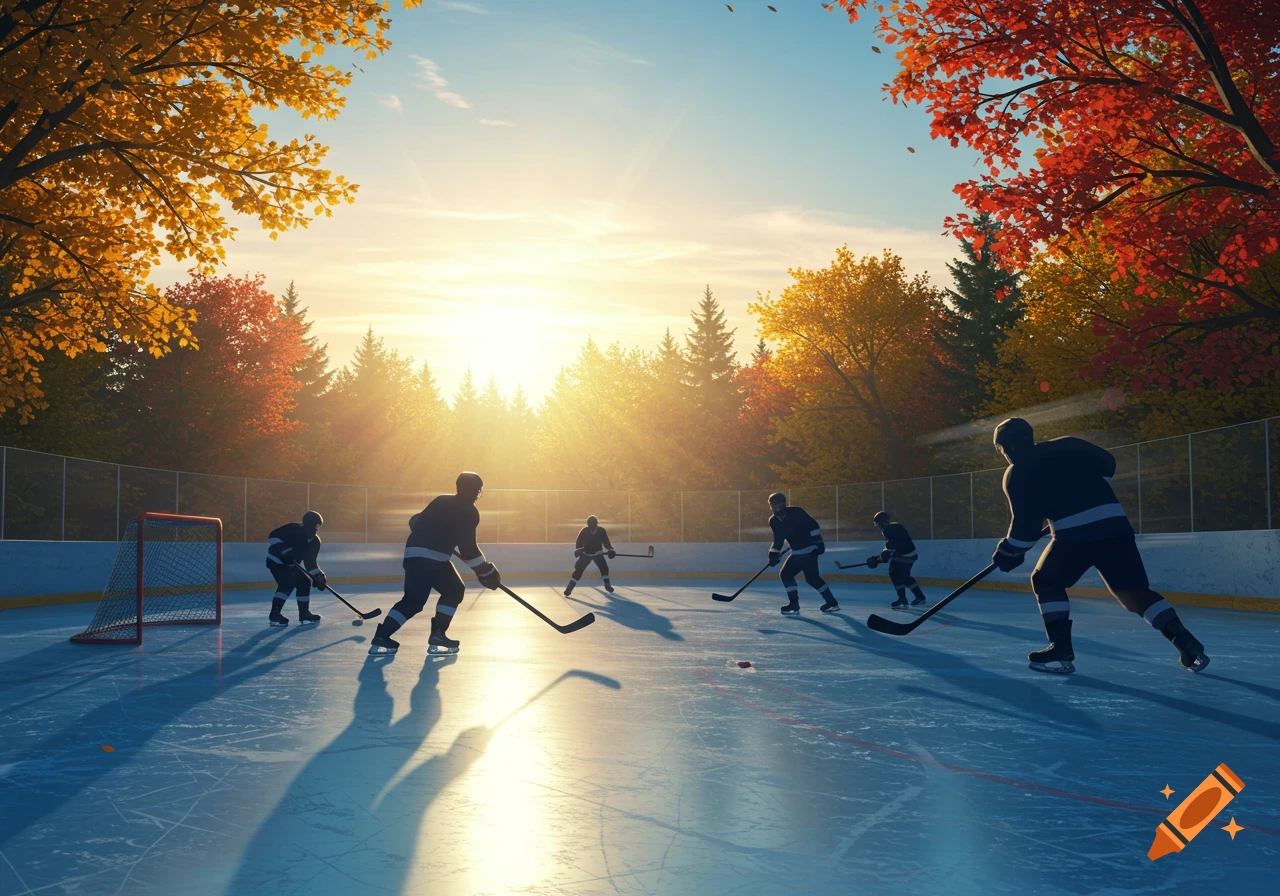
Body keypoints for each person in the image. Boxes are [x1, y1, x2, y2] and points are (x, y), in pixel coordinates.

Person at [991, 417, 1209, 674]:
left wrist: (1009, 551)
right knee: (1133, 592)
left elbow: (1026, 528)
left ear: (1008, 447)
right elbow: (1108, 465)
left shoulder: (1017, 473)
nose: (1005, 455)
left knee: (1046, 581)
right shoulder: (1067, 445)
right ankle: (1185, 642)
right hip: (1115, 524)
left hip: (1075, 535)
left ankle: (1061, 649)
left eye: (1003, 450)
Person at [368, 472, 501, 656]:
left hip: (412, 554)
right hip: (434, 558)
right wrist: (484, 570)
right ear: (477, 491)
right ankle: (438, 635)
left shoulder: (440, 500)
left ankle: (382, 636)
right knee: (454, 591)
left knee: (412, 601)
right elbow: (468, 548)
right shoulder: (469, 512)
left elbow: (414, 522)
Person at [767, 492, 839, 616]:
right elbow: (778, 540)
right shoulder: (773, 521)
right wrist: (773, 553)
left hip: (809, 550)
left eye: (776, 505)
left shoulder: (796, 512)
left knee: (803, 577)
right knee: (795, 576)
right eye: (771, 506)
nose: (774, 508)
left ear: (783, 504)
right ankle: (829, 602)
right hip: (796, 552)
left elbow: (813, 526)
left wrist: (818, 542)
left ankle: (798, 604)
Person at [265, 511, 325, 626]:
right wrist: (284, 551)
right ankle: (274, 614)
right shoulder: (293, 529)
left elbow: (310, 563)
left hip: (292, 564)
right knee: (287, 583)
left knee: (305, 581)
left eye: (317, 527)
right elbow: (273, 536)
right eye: (314, 526)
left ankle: (304, 613)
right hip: (276, 562)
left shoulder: (315, 542)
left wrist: (318, 575)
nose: (315, 530)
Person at [867, 510, 928, 610]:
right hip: (912, 555)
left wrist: (878, 559)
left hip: (904, 556)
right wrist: (879, 558)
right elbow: (892, 547)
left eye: (877, 523)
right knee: (905, 576)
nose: (877, 526)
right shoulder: (896, 526)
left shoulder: (887, 529)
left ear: (882, 522)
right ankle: (920, 597)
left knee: (894, 573)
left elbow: (890, 549)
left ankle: (902, 600)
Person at [565, 515, 616, 596]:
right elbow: (579, 542)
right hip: (591, 554)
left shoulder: (592, 530)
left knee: (603, 569)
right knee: (581, 570)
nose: (591, 528)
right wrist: (579, 549)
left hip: (592, 554)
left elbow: (605, 541)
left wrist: (610, 549)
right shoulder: (593, 530)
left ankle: (569, 588)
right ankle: (569, 588)